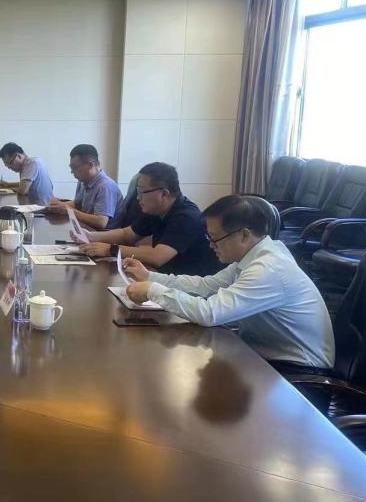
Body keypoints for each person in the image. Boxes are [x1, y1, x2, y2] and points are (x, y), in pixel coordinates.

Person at [123, 195, 335, 370]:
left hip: (299, 372)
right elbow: (205, 286)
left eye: (214, 238)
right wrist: (150, 277)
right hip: (265, 357)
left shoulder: (268, 269)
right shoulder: (252, 258)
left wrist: (153, 291)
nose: (211, 245)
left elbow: (209, 313)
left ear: (244, 235)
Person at [80, 162, 220, 276]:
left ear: (164, 194)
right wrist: (90, 236)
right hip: (165, 277)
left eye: (142, 192)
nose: (137, 197)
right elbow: (127, 234)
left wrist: (110, 249)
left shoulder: (187, 217)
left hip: (191, 288)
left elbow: (157, 256)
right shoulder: (155, 209)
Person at [47, 144, 123, 230]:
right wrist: (58, 205)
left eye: (75, 167)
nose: (72, 171)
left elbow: (101, 222)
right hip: (86, 229)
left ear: (90, 165)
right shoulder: (84, 181)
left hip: (102, 234)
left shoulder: (105, 186)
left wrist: (69, 211)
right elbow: (77, 204)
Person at [0, 142, 54, 206]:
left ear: (19, 156)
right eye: (6, 164)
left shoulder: (31, 164)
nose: (9, 167)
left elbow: (23, 190)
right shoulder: (31, 161)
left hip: (42, 208)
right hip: (37, 205)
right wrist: (8, 184)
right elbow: (26, 184)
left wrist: (5, 189)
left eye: (10, 163)